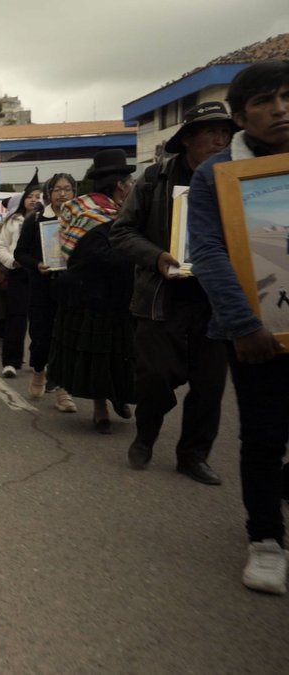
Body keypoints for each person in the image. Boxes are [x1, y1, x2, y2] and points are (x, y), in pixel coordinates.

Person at [187, 60, 289, 595]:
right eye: (265, 101)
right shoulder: (215, 175)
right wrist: (244, 325)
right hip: (256, 333)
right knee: (264, 435)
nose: (280, 110)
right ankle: (266, 539)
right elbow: (208, 251)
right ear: (242, 116)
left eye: (287, 97)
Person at [110, 102, 236, 483]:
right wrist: (157, 257)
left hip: (216, 298)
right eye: (211, 132)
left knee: (209, 385)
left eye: (226, 133)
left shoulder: (235, 178)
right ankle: (145, 436)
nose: (220, 140)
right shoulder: (155, 179)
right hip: (161, 296)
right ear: (188, 139)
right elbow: (121, 232)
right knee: (156, 378)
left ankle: (193, 456)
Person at [47, 149, 137, 434]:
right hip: (92, 297)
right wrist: (135, 257)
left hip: (120, 295)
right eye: (128, 182)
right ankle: (101, 408)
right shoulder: (86, 212)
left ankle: (118, 394)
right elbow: (92, 256)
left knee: (119, 353)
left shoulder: (123, 212)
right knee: (99, 354)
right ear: (120, 185)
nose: (131, 187)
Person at [13, 174, 79, 410]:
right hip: (42, 288)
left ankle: (63, 390)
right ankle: (39, 370)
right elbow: (20, 253)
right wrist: (37, 264)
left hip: (70, 289)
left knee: (66, 339)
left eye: (67, 189)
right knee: (41, 339)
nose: (62, 194)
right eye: (57, 189)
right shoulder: (36, 219)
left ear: (74, 193)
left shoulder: (81, 220)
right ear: (49, 194)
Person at [0, 178, 44, 378]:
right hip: (19, 273)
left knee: (40, 319)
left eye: (38, 196)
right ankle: (11, 362)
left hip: (42, 274)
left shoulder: (47, 219)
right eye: (29, 196)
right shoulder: (12, 221)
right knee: (16, 318)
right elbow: (1, 247)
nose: (33, 200)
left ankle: (38, 361)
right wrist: (12, 261)